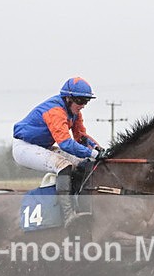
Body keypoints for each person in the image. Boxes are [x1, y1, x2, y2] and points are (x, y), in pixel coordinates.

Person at [13, 77, 105, 228]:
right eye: (80, 100)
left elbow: (81, 137)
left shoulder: (74, 112)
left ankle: (81, 204)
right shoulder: (56, 111)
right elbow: (66, 143)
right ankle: (68, 215)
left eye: (86, 101)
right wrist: (92, 154)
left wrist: (97, 148)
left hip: (43, 146)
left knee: (84, 164)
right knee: (64, 166)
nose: (83, 106)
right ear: (68, 98)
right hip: (24, 147)